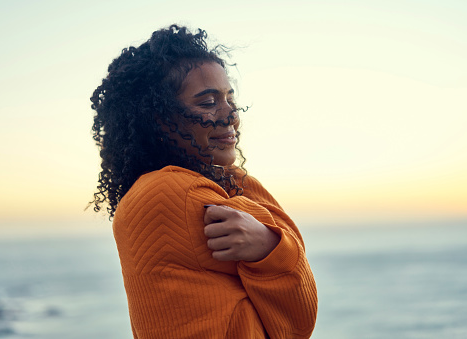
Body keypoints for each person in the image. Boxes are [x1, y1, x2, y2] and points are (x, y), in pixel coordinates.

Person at [89, 25, 318, 338]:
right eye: (208, 103)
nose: (230, 116)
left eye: (229, 99)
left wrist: (266, 237)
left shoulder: (173, 187)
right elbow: (297, 320)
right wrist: (270, 245)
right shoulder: (174, 193)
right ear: (159, 118)